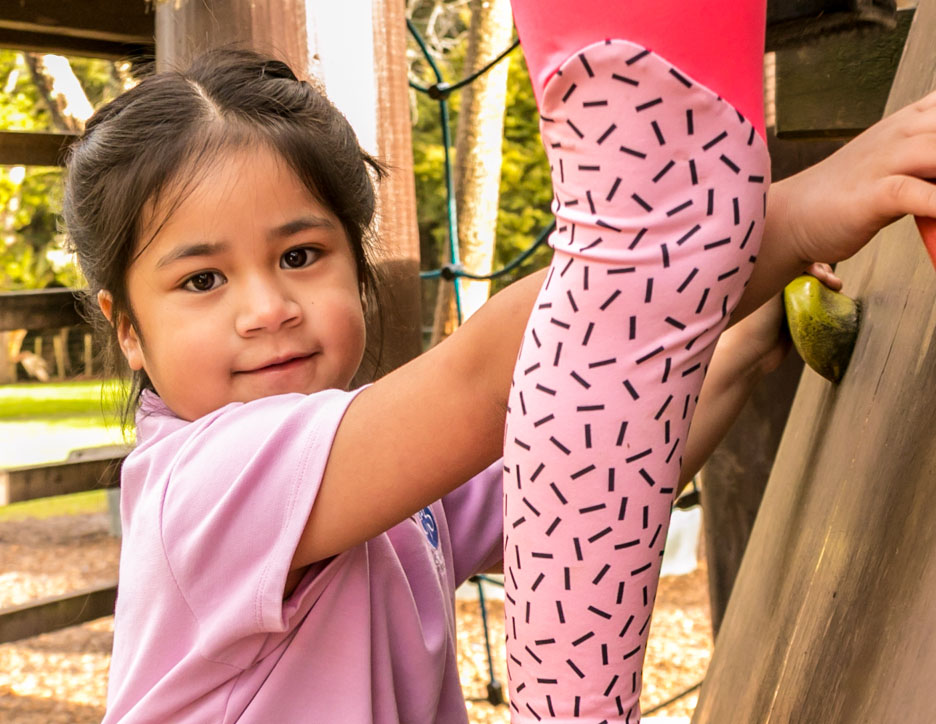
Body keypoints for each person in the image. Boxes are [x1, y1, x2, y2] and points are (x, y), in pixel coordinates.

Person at [61, 7, 936, 723]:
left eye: (299, 256)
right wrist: (807, 208)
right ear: (128, 330)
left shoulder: (384, 480)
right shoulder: (204, 483)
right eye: (202, 279)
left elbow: (587, 450)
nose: (266, 309)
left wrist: (737, 340)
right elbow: (496, 374)